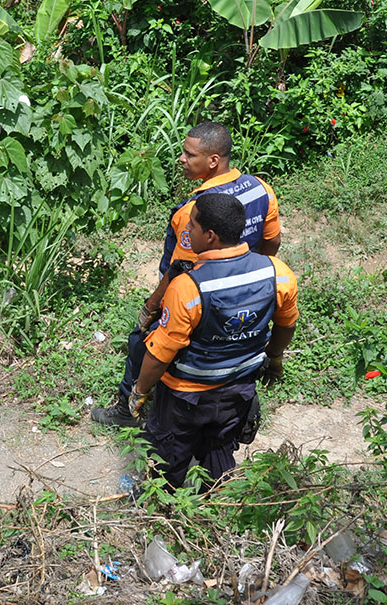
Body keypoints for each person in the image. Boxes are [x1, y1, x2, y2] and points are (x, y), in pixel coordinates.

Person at [93, 121, 283, 427]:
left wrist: (151, 307)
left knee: (142, 342)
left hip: (199, 297)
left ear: (213, 161)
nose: (181, 159)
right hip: (244, 294)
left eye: (189, 154)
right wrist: (251, 274)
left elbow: (180, 270)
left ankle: (129, 408)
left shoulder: (195, 212)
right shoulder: (261, 188)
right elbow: (272, 241)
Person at [127, 192, 298, 489]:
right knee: (219, 455)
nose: (187, 231)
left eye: (192, 226)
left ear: (210, 235)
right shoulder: (278, 274)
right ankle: (217, 508)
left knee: (165, 464)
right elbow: (286, 324)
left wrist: (139, 391)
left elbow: (160, 354)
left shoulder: (188, 287)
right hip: (238, 391)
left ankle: (160, 516)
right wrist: (275, 358)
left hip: (184, 397)